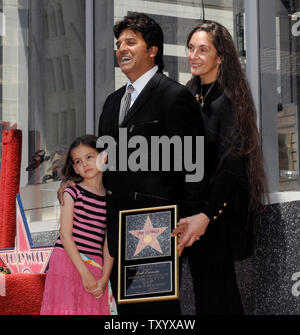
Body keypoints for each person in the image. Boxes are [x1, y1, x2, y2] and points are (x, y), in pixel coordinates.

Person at [58, 12, 204, 315]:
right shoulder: (112, 103)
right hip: (114, 232)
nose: (121, 49)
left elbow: (194, 165)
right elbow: (104, 164)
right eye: (118, 43)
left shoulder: (174, 96)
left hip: (155, 230)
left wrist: (190, 217)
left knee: (155, 313)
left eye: (130, 42)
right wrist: (75, 183)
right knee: (125, 314)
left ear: (152, 50)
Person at [172, 21, 269, 315]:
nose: (194, 56)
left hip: (218, 219)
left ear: (220, 57)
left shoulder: (231, 100)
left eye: (203, 50)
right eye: (190, 48)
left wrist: (206, 215)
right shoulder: (187, 95)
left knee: (218, 298)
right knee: (205, 297)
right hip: (190, 216)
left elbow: (232, 165)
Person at [41, 135, 116, 315]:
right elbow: (65, 235)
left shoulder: (112, 198)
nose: (85, 164)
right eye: (78, 161)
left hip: (96, 264)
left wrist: (105, 278)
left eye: (89, 157)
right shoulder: (72, 191)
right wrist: (84, 273)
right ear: (74, 167)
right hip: (68, 261)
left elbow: (110, 242)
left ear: (103, 157)